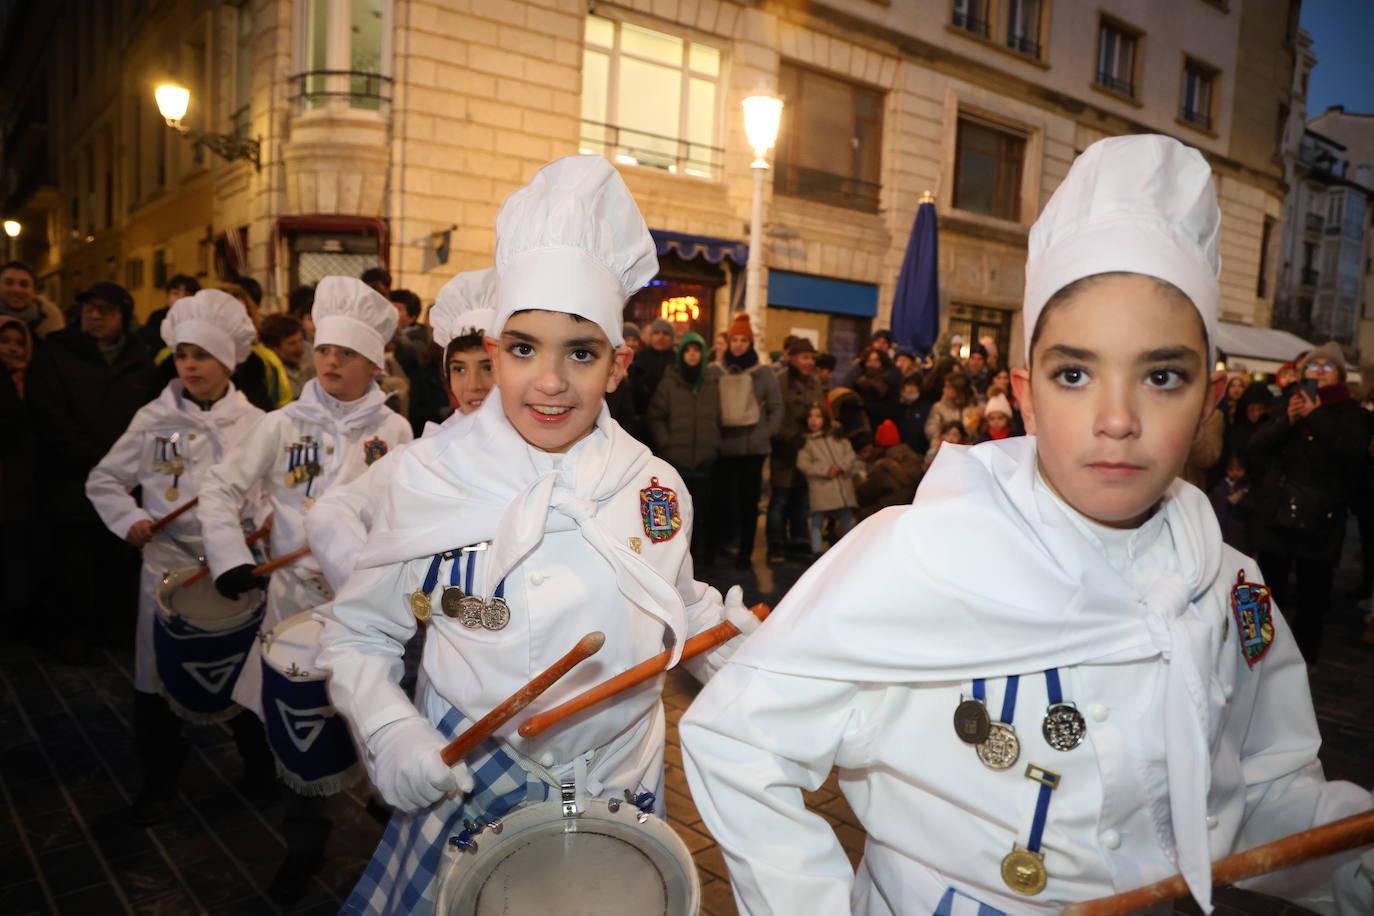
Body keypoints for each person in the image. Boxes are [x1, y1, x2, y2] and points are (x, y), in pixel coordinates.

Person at [680, 135, 1374, 915]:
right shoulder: (918, 557)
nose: (1117, 420)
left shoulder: (1232, 592)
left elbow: (1260, 790)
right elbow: (740, 738)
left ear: (1210, 398)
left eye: (1162, 376)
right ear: (1027, 393)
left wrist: (1353, 864)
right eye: (1074, 374)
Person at [315, 155, 758, 914]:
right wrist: (391, 730)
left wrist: (737, 647)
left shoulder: (654, 486)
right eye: (523, 349)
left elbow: (677, 602)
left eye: (579, 353)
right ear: (494, 352)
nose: (548, 383)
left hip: (624, 780)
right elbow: (358, 634)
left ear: (618, 366)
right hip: (471, 782)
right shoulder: (429, 476)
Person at [197, 275, 413, 903]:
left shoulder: (396, 434)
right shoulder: (281, 424)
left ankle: (387, 810)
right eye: (324, 350)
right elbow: (220, 489)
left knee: (374, 715)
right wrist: (230, 554)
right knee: (298, 728)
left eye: (346, 353)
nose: (331, 362)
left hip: (364, 610)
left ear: (375, 360)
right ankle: (304, 842)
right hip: (292, 607)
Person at [84, 290, 265, 824]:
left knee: (242, 676)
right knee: (157, 682)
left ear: (227, 361)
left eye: (202, 355)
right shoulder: (152, 418)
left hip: (231, 571)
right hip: (166, 567)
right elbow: (105, 479)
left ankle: (258, 773)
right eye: (183, 354)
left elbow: (272, 492)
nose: (189, 364)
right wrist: (129, 519)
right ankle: (159, 781)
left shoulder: (256, 424)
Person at [306, 268, 497, 596]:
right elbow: (332, 510)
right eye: (459, 369)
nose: (473, 385)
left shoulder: (551, 448)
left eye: (488, 367)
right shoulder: (426, 454)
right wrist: (378, 595)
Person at [26, 281, 158, 662]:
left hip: (124, 483)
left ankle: (112, 630)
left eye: (106, 309)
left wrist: (124, 465)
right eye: (89, 308)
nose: (95, 315)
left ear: (123, 316)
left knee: (114, 559)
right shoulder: (57, 353)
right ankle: (71, 635)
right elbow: (49, 412)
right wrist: (95, 458)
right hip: (69, 480)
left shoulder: (139, 358)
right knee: (70, 563)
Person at [1248, 340, 1370, 668]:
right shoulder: (1287, 403)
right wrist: (1287, 420)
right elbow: (1255, 447)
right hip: (1277, 513)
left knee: (1312, 594)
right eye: (1313, 366)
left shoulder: (1353, 414)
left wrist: (1316, 416)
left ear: (1341, 375)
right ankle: (1256, 652)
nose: (1319, 371)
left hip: (1321, 518)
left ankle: (1301, 660)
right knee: (1265, 589)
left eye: (1327, 366)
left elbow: (1353, 454)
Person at [709, 312, 782, 569]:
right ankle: (719, 548)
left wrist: (765, 434)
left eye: (743, 340)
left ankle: (745, 554)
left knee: (749, 503)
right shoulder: (715, 371)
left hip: (753, 448)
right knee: (721, 501)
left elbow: (776, 407)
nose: (738, 344)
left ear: (750, 343)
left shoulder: (764, 374)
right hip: (724, 447)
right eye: (734, 339)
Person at [646, 331, 721, 566]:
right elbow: (655, 416)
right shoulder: (670, 382)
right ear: (681, 354)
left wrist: (714, 443)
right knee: (676, 517)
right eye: (688, 350)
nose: (692, 355)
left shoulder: (711, 384)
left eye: (696, 350)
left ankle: (699, 561)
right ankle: (675, 563)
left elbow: (718, 417)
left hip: (705, 463)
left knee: (702, 516)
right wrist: (666, 442)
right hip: (676, 462)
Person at [767, 337, 825, 562]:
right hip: (785, 448)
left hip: (807, 448)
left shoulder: (815, 382)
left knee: (801, 497)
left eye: (811, 357)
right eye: (804, 357)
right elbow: (775, 412)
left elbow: (820, 411)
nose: (808, 361)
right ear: (792, 358)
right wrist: (788, 435)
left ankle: (798, 540)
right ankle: (775, 544)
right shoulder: (780, 381)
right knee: (780, 499)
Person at [0, 315, 35, 641]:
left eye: (18, 342)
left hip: (23, 484)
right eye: (5, 341)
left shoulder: (35, 380)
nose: (12, 348)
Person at [797, 401, 860, 555]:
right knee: (817, 520)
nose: (813, 420)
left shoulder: (838, 438)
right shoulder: (807, 443)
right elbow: (803, 464)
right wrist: (824, 471)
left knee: (847, 518)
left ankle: (854, 547)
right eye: (810, 417)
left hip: (841, 485)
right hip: (821, 487)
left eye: (818, 416)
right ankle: (817, 550)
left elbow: (850, 455)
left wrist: (841, 466)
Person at [853, 418, 922, 519]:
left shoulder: (882, 467)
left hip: (890, 515)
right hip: (913, 510)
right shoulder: (915, 459)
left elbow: (864, 494)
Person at [138, 273, 201, 355]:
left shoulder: (200, 319)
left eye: (188, 294)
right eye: (175, 293)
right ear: (168, 297)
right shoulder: (157, 317)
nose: (181, 298)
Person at [0, 260, 63, 338]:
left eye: (24, 285)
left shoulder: (52, 330)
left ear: (34, 292)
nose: (16, 289)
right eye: (8, 283)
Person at [259, 313, 311, 399]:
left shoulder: (310, 352)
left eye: (301, 340)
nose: (300, 348)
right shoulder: (265, 373)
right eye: (292, 343)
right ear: (273, 348)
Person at [924, 370, 973, 445]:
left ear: (959, 390)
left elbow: (973, 432)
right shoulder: (939, 407)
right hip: (944, 447)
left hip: (966, 448)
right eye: (945, 386)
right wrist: (945, 434)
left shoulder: (971, 408)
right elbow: (931, 429)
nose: (944, 390)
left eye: (949, 387)